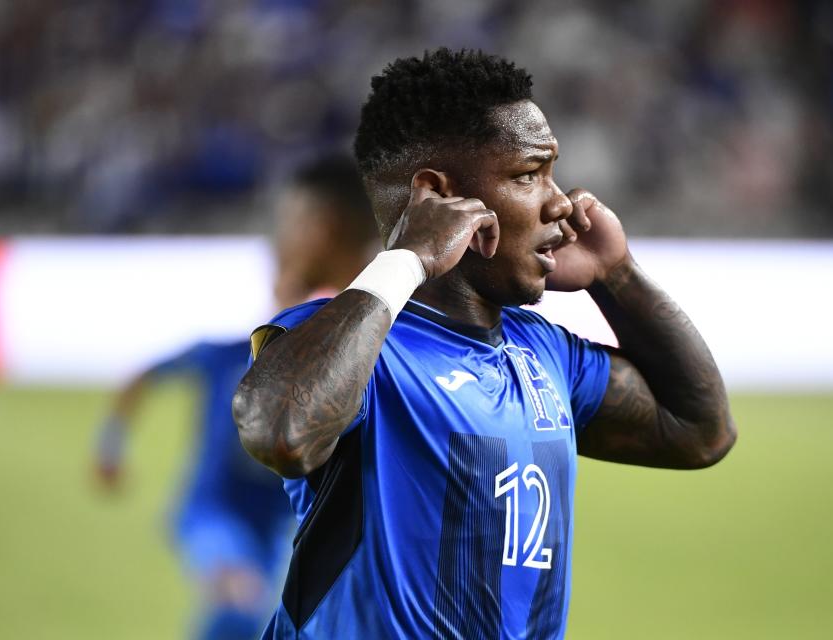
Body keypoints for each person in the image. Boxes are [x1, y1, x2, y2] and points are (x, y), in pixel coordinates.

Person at [234, 48, 737, 640]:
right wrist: (408, 257)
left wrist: (616, 273)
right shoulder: (348, 345)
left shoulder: (544, 353)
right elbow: (280, 432)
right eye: (528, 175)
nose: (561, 202)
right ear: (439, 196)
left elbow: (700, 430)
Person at [94, 154, 377, 640]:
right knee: (238, 601)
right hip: (212, 513)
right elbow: (140, 377)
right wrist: (111, 443)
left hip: (274, 530)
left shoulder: (341, 362)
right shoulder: (222, 354)